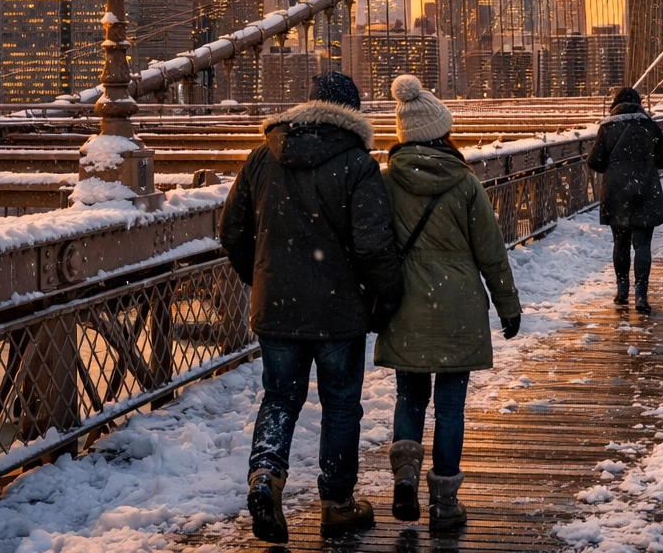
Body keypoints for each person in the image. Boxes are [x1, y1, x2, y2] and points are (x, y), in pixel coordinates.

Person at [220, 71, 403, 543]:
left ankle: (265, 474)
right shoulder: (357, 165)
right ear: (352, 114)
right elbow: (374, 245)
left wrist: (261, 277)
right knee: (341, 405)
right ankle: (338, 504)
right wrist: (384, 297)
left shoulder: (262, 157)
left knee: (280, 396)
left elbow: (232, 231)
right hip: (339, 311)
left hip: (277, 305)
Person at [375, 74, 522, 532]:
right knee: (451, 405)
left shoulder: (383, 183)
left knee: (410, 397)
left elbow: (371, 245)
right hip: (457, 306)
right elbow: (491, 252)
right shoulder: (464, 182)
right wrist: (508, 305)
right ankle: (444, 502)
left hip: (407, 305)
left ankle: (404, 475)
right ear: (443, 131)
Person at [587, 87, 663, 313]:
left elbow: (594, 161)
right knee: (643, 244)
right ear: (639, 103)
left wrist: (616, 165)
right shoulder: (649, 124)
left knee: (621, 242)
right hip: (646, 189)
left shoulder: (607, 127)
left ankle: (622, 289)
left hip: (616, 191)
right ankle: (641, 295)